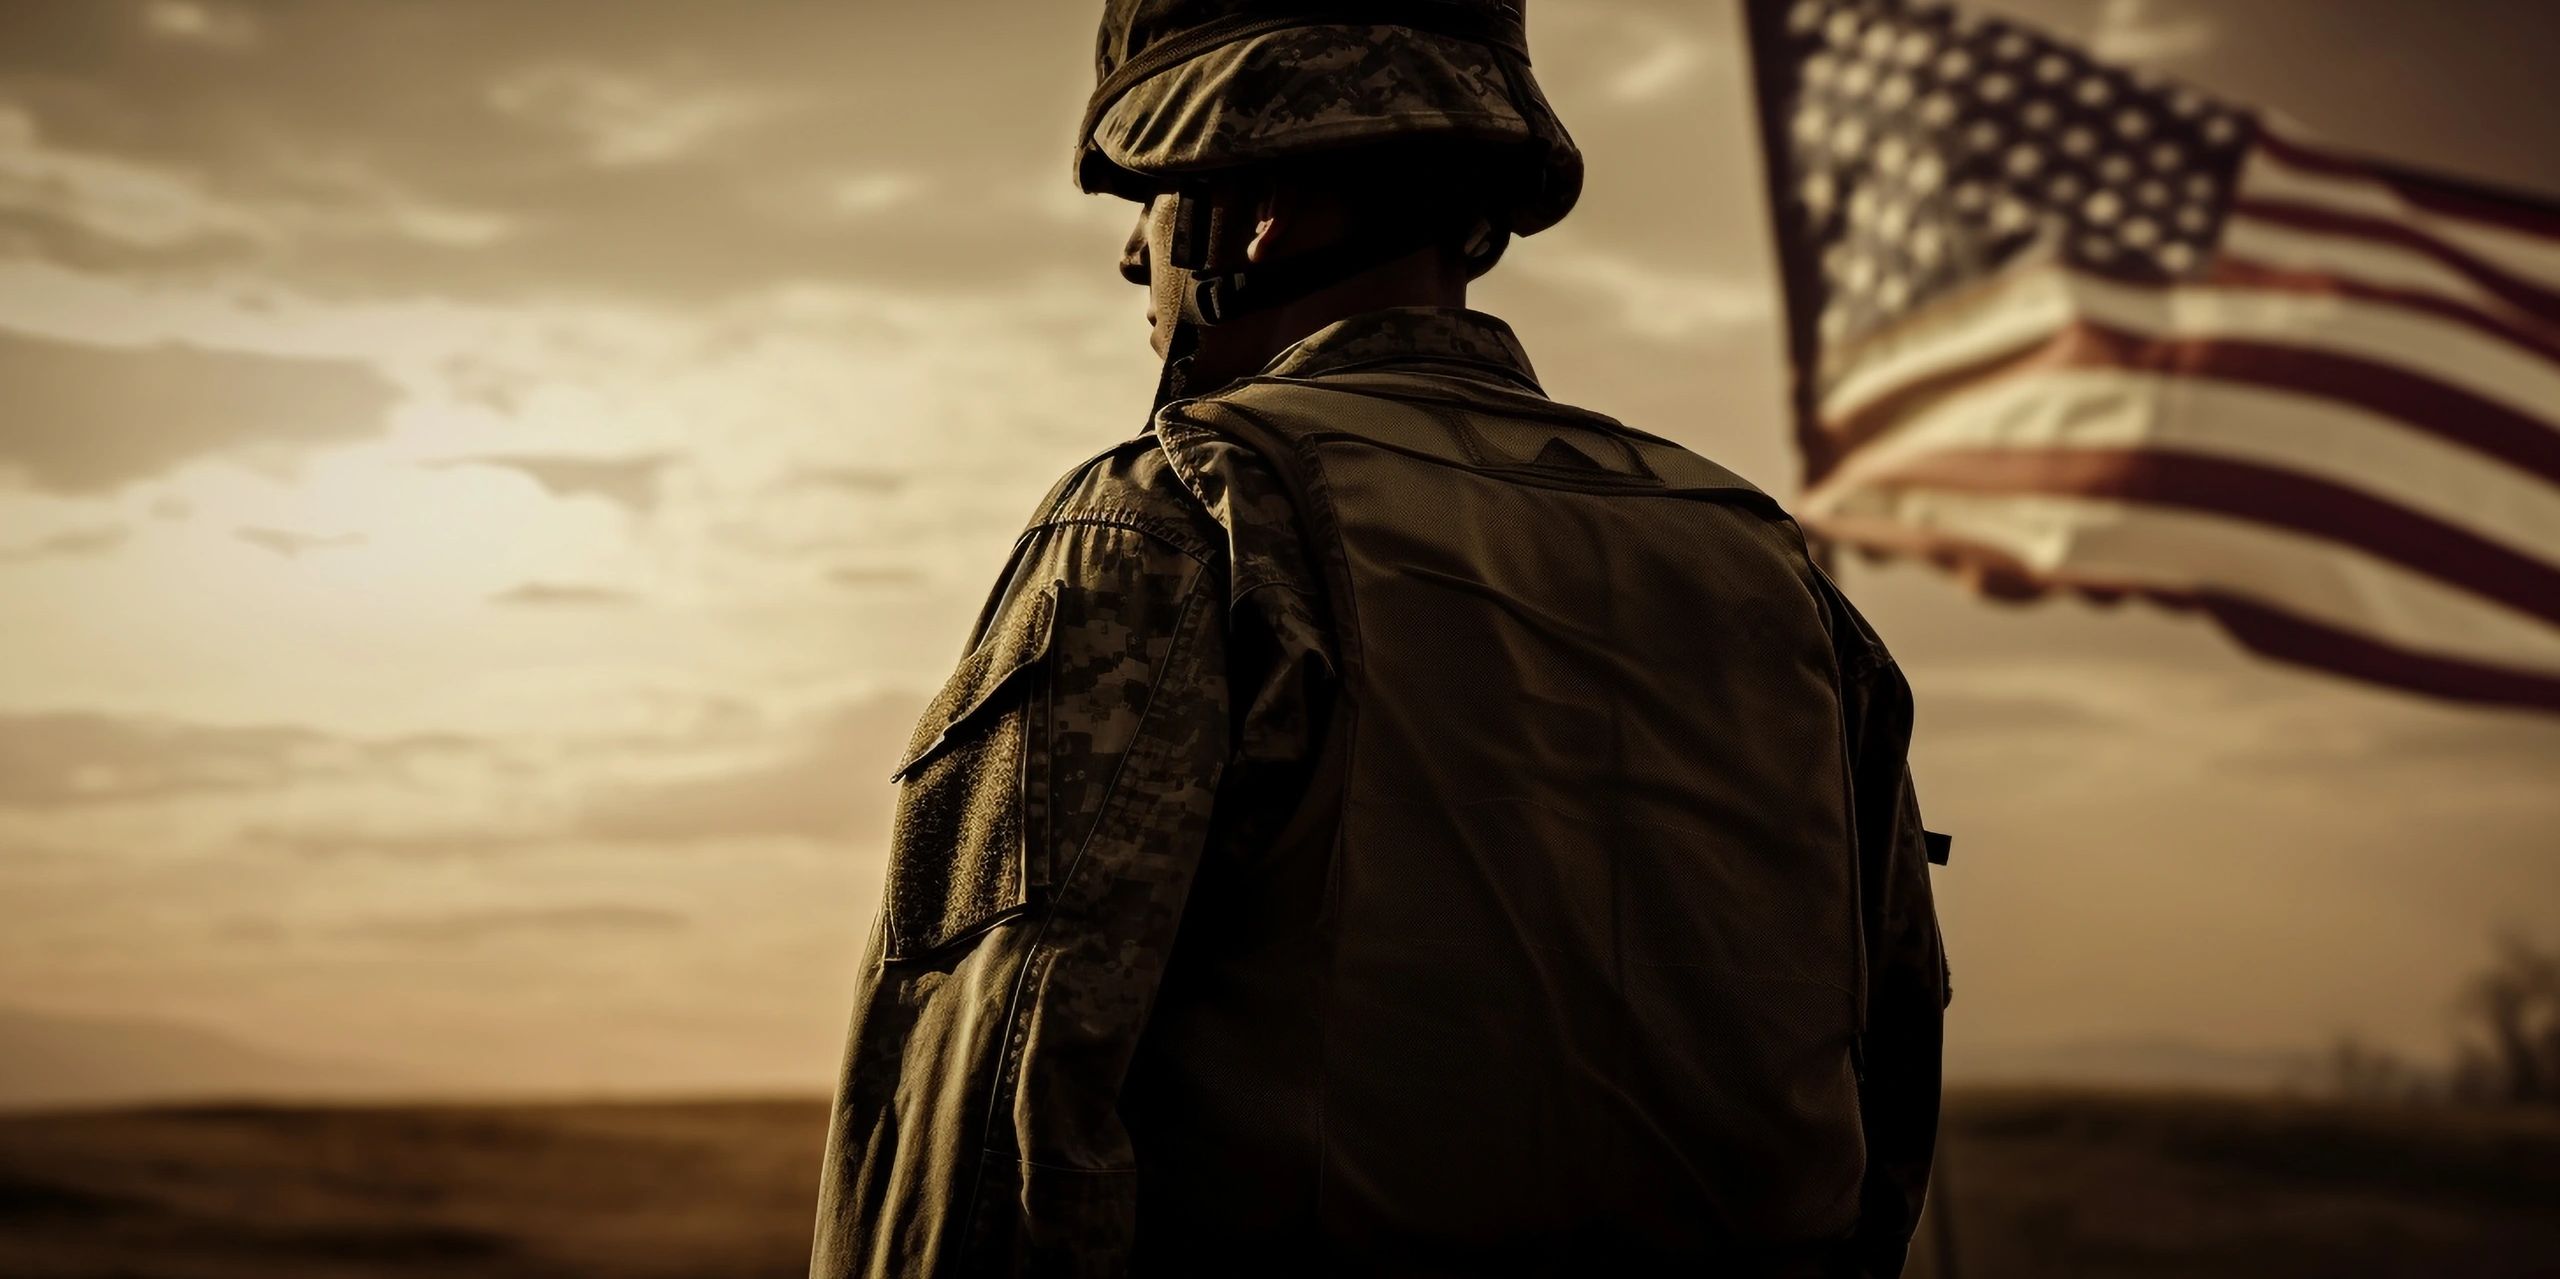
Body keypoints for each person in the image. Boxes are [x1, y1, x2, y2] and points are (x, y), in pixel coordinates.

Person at [810, 3, 1949, 1275]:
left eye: (1154, 196)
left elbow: (993, 1118)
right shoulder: (1761, 561)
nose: (1136, 256)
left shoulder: (1183, 516)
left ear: (1257, 212)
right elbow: (1886, 1090)